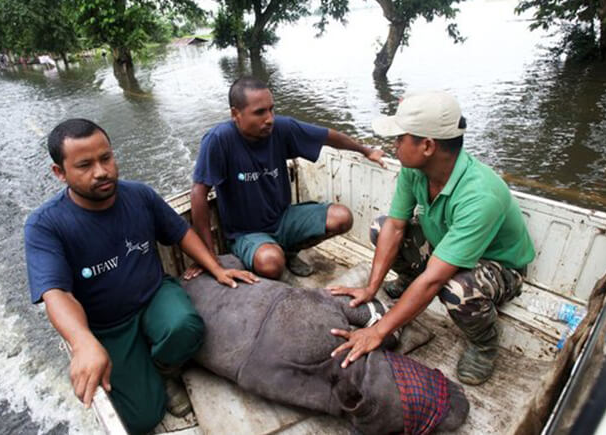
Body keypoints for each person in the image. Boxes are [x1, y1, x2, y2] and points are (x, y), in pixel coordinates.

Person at [23, 119, 257, 434]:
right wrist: (82, 342)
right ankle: (142, 367)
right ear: (60, 173)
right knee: (140, 418)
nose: (101, 171)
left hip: (154, 296)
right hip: (107, 325)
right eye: (85, 165)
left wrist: (216, 267)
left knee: (185, 326)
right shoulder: (45, 226)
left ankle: (164, 368)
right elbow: (56, 293)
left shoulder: (139, 195)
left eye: (106, 158)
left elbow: (180, 232)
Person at [328, 91, 535, 385]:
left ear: (427, 146)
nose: (394, 144)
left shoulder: (480, 195)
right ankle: (406, 279)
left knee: (455, 289)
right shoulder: (416, 171)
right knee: (380, 227)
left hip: (499, 266)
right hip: (444, 245)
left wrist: (377, 331)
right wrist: (371, 288)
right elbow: (396, 226)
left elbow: (435, 280)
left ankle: (485, 345)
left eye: (400, 138)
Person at [188, 76, 387, 280]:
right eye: (259, 112)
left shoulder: (280, 129)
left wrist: (366, 150)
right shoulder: (219, 140)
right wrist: (209, 257)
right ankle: (272, 252)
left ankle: (289, 251)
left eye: (271, 109)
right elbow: (198, 194)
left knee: (342, 217)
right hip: (246, 233)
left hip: (283, 219)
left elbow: (328, 136)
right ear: (235, 114)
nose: (269, 118)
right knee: (271, 263)